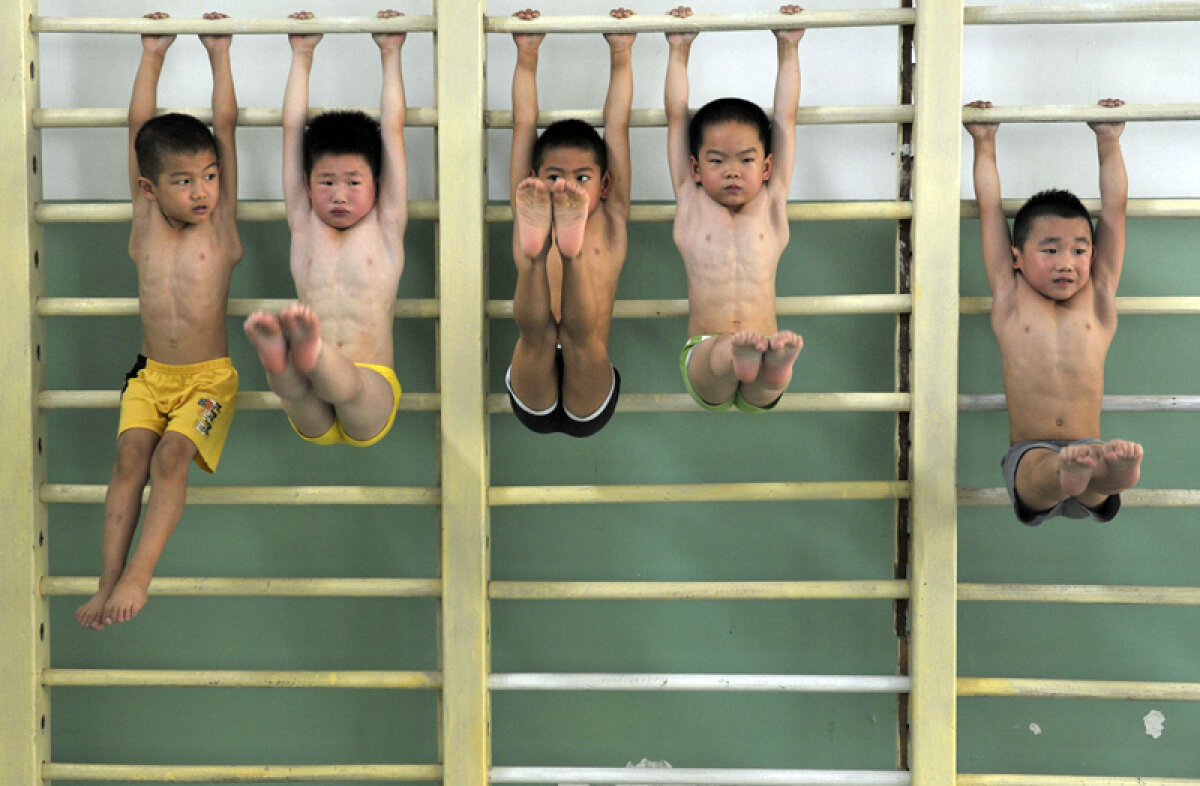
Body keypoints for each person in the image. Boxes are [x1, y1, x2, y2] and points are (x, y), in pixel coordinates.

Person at [75, 12, 242, 629]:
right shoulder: (144, 221)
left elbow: (223, 126)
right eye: (184, 181)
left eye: (209, 176)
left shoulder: (220, 224)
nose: (202, 191)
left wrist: (218, 54)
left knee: (169, 460)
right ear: (149, 189)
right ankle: (106, 579)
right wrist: (152, 55)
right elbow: (137, 129)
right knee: (128, 460)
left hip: (208, 381)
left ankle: (139, 575)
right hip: (150, 377)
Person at [964, 98, 1143, 526]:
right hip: (1031, 451)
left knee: (1093, 470)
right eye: (1050, 250)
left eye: (1079, 250)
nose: (1067, 262)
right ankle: (1080, 473)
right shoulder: (1010, 295)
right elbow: (990, 208)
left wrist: (1109, 140)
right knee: (1041, 473)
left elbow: (1114, 211)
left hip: (1087, 442)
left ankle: (1103, 474)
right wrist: (984, 140)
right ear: (1016, 257)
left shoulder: (1098, 295)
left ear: (1093, 254)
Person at [244, 10, 407, 447]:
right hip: (311, 392)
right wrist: (301, 54)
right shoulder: (303, 221)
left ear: (377, 183)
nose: (339, 195)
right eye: (327, 183)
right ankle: (284, 360)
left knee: (348, 387)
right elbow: (292, 129)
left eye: (353, 183)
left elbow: (391, 128)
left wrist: (391, 52)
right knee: (295, 392)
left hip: (371, 385)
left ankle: (299, 354)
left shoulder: (386, 223)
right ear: (307, 183)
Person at [665, 5, 806, 414]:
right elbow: (677, 118)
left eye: (746, 161)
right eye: (717, 161)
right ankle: (741, 359)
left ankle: (774, 369)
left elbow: (786, 118)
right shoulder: (690, 200)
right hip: (705, 353)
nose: (732, 172)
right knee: (719, 356)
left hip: (763, 345)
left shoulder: (772, 201)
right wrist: (678, 49)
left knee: (765, 383)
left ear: (766, 167)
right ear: (694, 167)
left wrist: (789, 47)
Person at [505, 7, 634, 437]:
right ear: (534, 179)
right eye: (554, 177)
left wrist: (621, 53)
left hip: (589, 380)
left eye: (581, 178)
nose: (564, 187)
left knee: (582, 341)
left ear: (605, 184)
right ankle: (542, 253)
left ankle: (565, 254)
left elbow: (617, 124)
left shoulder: (611, 214)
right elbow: (523, 123)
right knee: (538, 335)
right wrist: (527, 54)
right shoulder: (530, 201)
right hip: (532, 375)